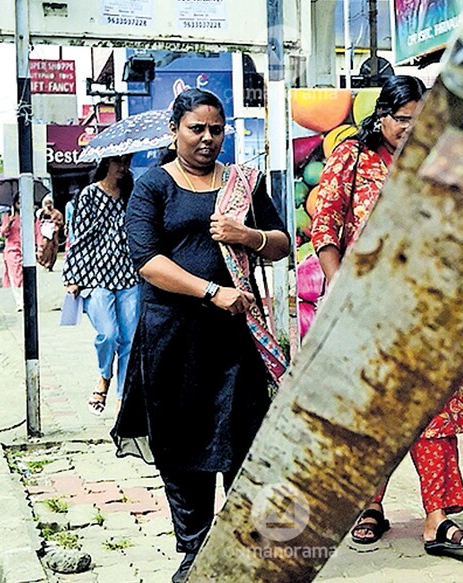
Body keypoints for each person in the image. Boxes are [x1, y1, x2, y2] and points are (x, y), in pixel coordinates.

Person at [113, 88, 290, 583]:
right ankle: (193, 550)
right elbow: (147, 261)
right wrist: (213, 291)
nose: (208, 138)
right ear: (174, 131)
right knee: (182, 444)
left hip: (236, 342)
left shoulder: (242, 184)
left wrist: (247, 236)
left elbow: (281, 243)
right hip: (173, 338)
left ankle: (239, 546)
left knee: (243, 442)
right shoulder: (152, 187)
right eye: (197, 129)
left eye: (216, 129)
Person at [311, 75, 463, 554]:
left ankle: (438, 519)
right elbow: (324, 224)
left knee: (434, 411)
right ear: (382, 115)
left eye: (420, 120)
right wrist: (338, 284)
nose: (411, 128)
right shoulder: (352, 157)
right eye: (402, 118)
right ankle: (369, 507)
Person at [63, 155, 139, 416]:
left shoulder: (133, 193)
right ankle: (104, 377)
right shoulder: (89, 195)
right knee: (107, 334)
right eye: (118, 162)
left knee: (130, 339)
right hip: (96, 274)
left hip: (129, 273)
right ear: (106, 163)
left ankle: (122, 399)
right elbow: (78, 238)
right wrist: (73, 277)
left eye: (126, 162)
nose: (123, 167)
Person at [0, 198, 24, 311]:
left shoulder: (28, 216)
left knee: (26, 275)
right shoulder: (8, 216)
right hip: (12, 249)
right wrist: (9, 223)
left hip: (26, 249)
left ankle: (26, 299)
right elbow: (3, 233)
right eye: (18, 202)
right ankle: (19, 302)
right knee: (15, 276)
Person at [36, 195, 64, 271]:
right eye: (46, 203)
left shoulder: (57, 213)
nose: (48, 205)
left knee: (53, 250)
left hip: (54, 234)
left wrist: (54, 222)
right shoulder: (42, 212)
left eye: (49, 203)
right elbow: (38, 222)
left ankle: (50, 265)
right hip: (45, 235)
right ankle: (43, 262)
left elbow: (61, 222)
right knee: (44, 249)